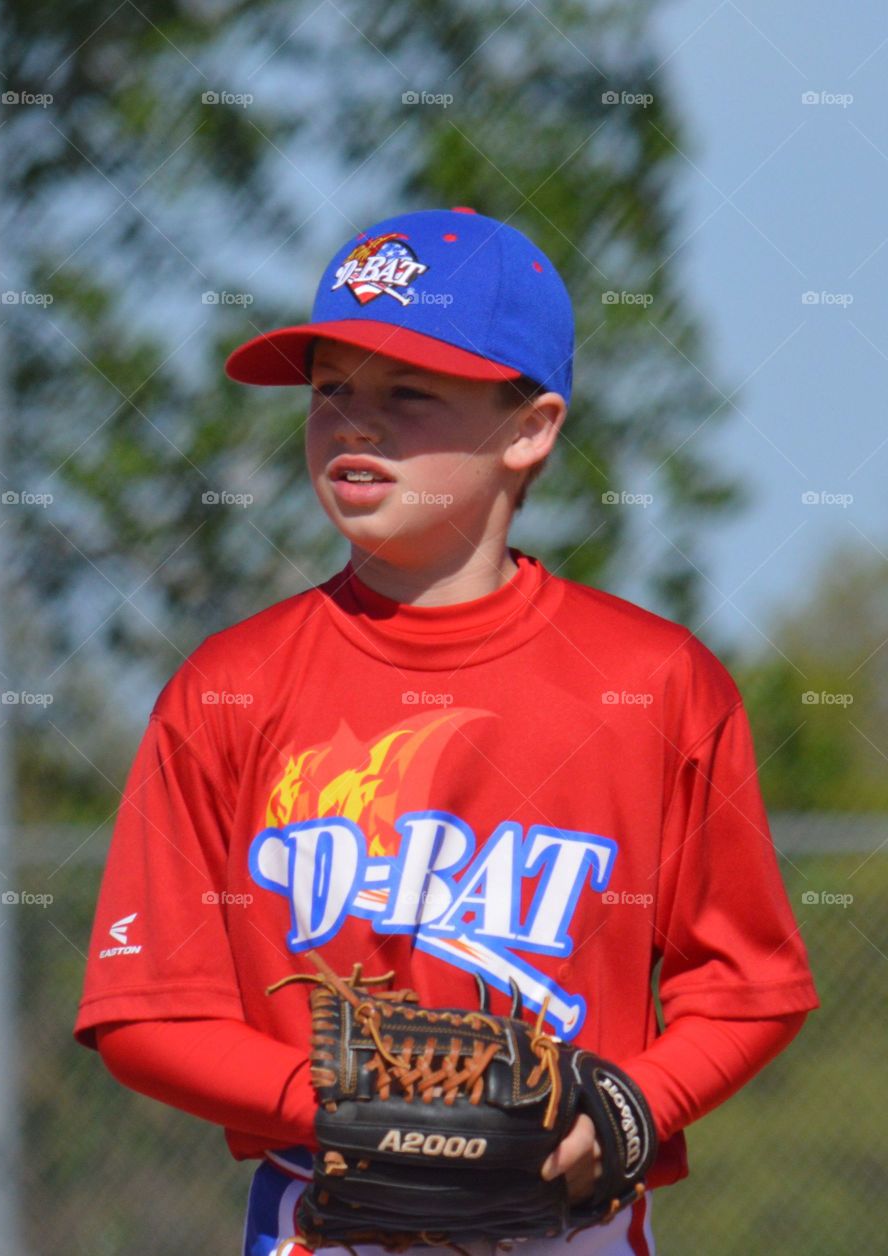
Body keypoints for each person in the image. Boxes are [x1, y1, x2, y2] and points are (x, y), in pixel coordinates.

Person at [74, 208, 819, 1256]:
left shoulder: (655, 682)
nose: (355, 424)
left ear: (531, 427)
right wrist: (336, 1102)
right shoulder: (229, 687)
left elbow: (750, 984)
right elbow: (145, 1009)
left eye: (407, 393)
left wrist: (631, 1104)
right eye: (332, 388)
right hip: (322, 1227)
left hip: (573, 1231)